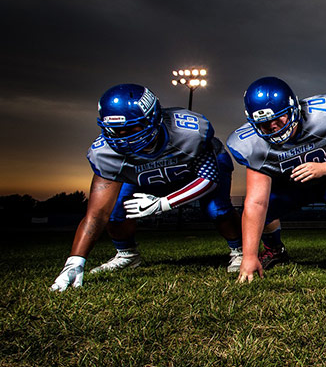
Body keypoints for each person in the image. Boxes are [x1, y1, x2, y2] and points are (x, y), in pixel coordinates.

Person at [50, 84, 242, 292]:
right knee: (115, 211)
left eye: (133, 128)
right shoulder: (104, 154)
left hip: (193, 171)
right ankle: (127, 255)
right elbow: (97, 215)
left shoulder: (189, 131)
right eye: (116, 130)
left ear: (154, 118)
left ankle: (239, 250)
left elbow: (209, 179)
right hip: (142, 176)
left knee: (217, 208)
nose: (125, 137)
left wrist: (163, 204)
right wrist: (75, 261)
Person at [226, 76, 326, 283]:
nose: (274, 127)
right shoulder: (250, 144)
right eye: (265, 124)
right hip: (287, 186)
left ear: (294, 108)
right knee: (262, 207)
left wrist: (324, 168)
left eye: (279, 119)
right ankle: (274, 249)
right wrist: (249, 256)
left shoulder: (324, 115)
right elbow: (256, 202)